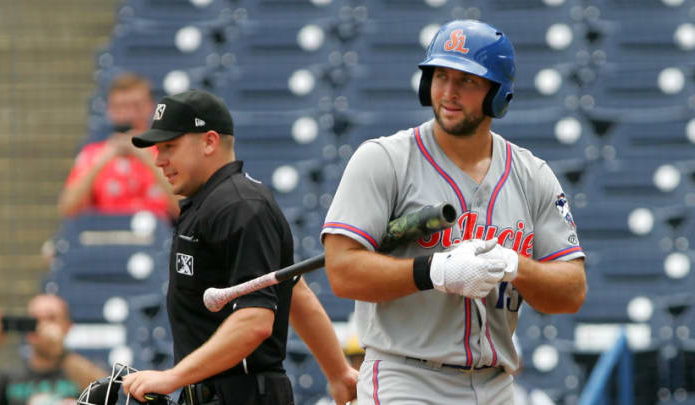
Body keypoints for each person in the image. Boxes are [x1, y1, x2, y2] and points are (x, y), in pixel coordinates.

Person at [321, 19, 587, 404]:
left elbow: (572, 292)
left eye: (467, 81)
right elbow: (342, 272)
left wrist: (514, 265)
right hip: (407, 377)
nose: (448, 92)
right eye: (440, 76)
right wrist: (436, 271)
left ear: (498, 93)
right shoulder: (384, 160)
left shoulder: (533, 176)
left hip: (497, 384)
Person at [119, 89, 358, 404]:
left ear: (209, 141)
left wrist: (171, 377)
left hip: (242, 395)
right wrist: (338, 372)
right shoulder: (211, 202)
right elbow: (291, 290)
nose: (159, 160)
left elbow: (255, 321)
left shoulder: (239, 206)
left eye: (169, 146)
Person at [58, 73, 179, 219]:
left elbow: (184, 209)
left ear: (150, 107)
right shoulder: (93, 154)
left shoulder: (170, 152)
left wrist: (148, 159)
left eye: (136, 106)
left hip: (159, 235)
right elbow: (67, 209)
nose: (129, 114)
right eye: (121, 107)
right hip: (107, 234)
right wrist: (101, 161)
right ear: (110, 110)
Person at [0, 294, 108, 405]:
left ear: (68, 326)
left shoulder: (83, 370)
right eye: (35, 320)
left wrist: (60, 352)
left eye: (51, 318)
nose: (42, 326)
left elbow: (108, 394)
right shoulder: (8, 377)